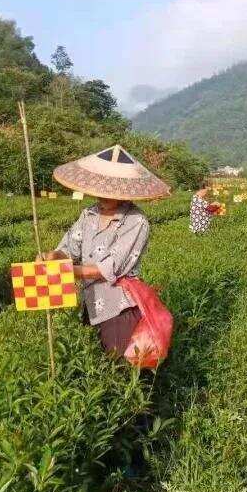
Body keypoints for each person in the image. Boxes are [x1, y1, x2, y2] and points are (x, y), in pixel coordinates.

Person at [40, 145, 170, 356]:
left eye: (111, 191)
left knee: (119, 364)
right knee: (92, 361)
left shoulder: (136, 221)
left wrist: (66, 270)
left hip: (117, 307)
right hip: (89, 302)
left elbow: (109, 268)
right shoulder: (88, 214)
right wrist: (52, 257)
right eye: (101, 190)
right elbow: (69, 249)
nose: (103, 196)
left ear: (124, 191)